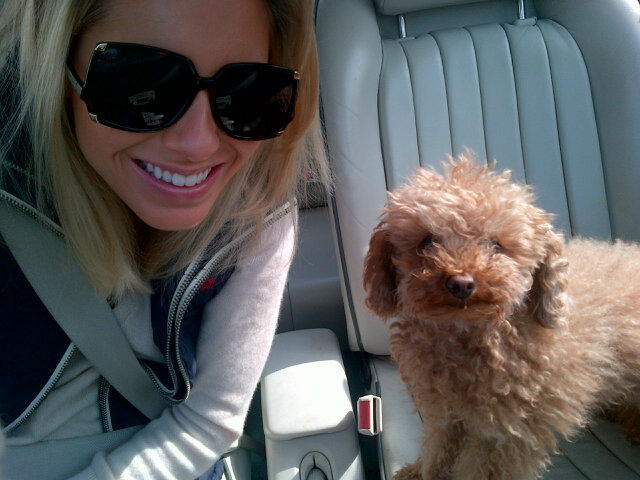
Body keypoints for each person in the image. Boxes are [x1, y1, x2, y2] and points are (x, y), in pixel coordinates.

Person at [0, 0, 328, 479]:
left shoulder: (259, 210)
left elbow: (210, 421)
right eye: (143, 83)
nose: (198, 144)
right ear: (60, 67)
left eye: (244, 94)